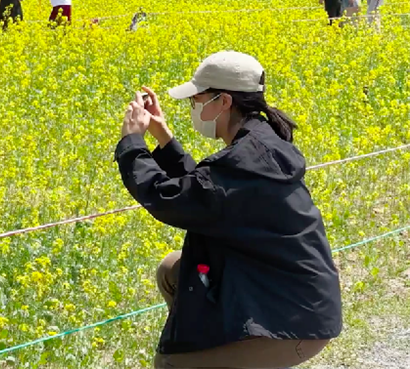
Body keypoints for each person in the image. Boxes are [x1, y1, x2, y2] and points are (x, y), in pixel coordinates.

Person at [115, 51, 342, 369]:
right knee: (173, 271)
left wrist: (132, 143)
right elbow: (208, 193)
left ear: (223, 101)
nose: (194, 106)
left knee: (169, 362)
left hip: (295, 320)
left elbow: (170, 199)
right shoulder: (259, 143)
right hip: (282, 289)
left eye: (197, 98)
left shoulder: (244, 161)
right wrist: (162, 136)